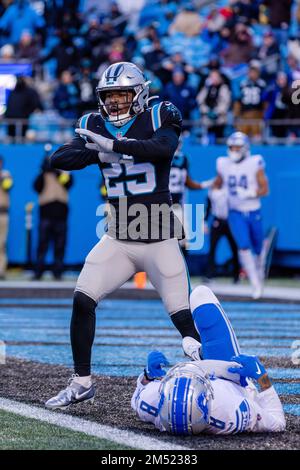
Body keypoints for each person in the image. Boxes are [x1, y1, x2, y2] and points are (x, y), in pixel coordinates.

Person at [45, 61, 201, 410]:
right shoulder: (94, 124)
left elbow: (163, 148)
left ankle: (216, 376)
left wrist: (114, 147)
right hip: (119, 235)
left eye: (121, 95)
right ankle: (81, 382)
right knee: (83, 298)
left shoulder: (160, 113)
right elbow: (60, 158)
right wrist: (96, 149)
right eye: (109, 96)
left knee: (184, 320)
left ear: (140, 93)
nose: (114, 103)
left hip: (159, 236)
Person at [131, 285, 286, 435]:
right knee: (201, 296)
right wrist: (262, 378)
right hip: (229, 377)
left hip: (196, 374)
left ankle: (199, 357)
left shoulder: (152, 405)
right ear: (207, 403)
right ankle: (201, 355)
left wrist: (147, 376)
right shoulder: (232, 413)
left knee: (200, 302)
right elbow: (278, 423)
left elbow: (139, 396)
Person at [214, 131, 269, 299]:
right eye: (232, 147)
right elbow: (217, 184)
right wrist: (216, 193)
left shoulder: (255, 162)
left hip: (253, 210)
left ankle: (259, 271)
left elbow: (265, 189)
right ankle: (255, 284)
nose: (234, 150)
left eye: (238, 147)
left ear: (245, 148)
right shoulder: (223, 163)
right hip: (235, 211)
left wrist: (251, 193)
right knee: (244, 246)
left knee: (258, 248)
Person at [33, 145, 73, 280]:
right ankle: (38, 272)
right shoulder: (43, 175)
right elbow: (36, 187)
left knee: (60, 245)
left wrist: (57, 172)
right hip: (46, 214)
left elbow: (68, 184)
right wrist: (42, 171)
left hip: (61, 215)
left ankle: (58, 272)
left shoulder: (64, 173)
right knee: (42, 245)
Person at [204, 186, 240, 283]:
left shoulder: (230, 188)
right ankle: (210, 275)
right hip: (217, 221)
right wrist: (204, 222)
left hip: (229, 222)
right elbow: (208, 208)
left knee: (234, 248)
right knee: (212, 249)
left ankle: (237, 276)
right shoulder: (211, 191)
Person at [0, 157, 13, 280]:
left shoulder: (6, 174)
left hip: (2, 214)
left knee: (1, 243)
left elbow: (7, 185)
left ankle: (1, 270)